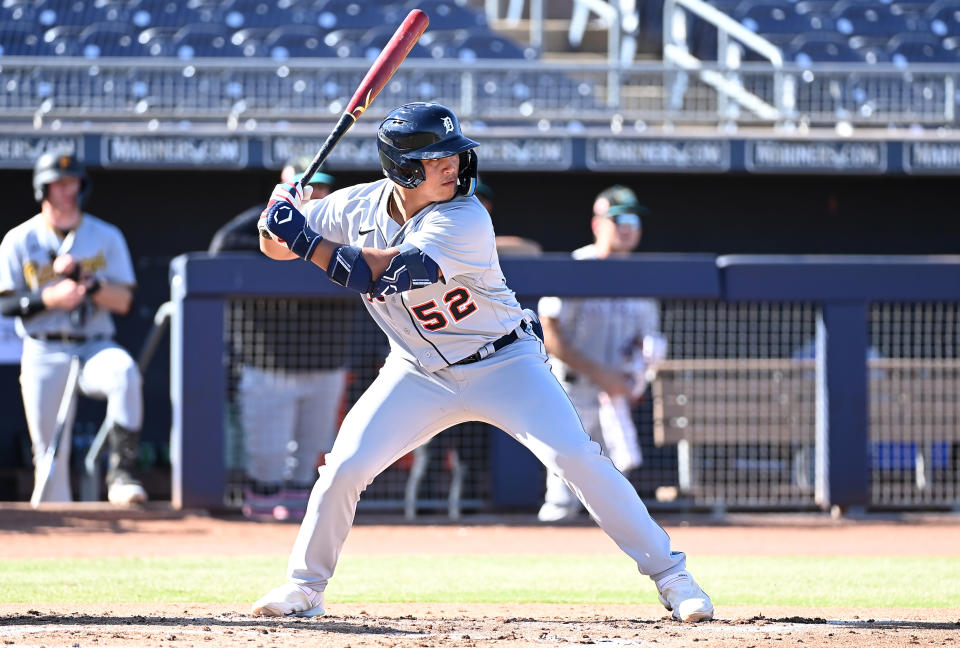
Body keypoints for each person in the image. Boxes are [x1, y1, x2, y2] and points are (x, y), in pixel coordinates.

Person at [250, 102, 713, 623]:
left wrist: (303, 234)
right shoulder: (354, 206)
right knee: (344, 468)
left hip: (503, 362)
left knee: (577, 458)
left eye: (454, 154)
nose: (452, 165)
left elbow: (380, 274)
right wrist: (277, 217)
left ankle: (674, 578)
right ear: (403, 168)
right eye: (436, 158)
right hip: (416, 369)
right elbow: (276, 248)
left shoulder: (464, 216)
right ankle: (305, 587)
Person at [0, 149, 147, 505]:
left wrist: (90, 284)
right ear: (43, 189)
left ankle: (122, 474)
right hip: (43, 348)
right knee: (49, 458)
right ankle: (62, 540)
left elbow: (124, 301)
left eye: (73, 182)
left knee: (125, 373)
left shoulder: (105, 235)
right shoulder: (19, 239)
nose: (69, 190)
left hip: (93, 343)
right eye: (59, 183)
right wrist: (49, 298)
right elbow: (5, 303)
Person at [209, 159, 349, 521]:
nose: (315, 193)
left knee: (310, 462)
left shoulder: (345, 223)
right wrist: (278, 223)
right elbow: (220, 245)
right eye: (308, 186)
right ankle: (259, 540)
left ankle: (299, 535)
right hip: (268, 363)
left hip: (325, 363)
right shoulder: (258, 225)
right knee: (267, 463)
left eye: (322, 186)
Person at [536, 185, 665, 522]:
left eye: (634, 218)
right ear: (597, 224)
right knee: (563, 490)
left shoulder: (643, 279)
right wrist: (600, 374)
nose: (627, 225)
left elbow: (647, 342)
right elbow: (548, 332)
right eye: (618, 217)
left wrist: (635, 378)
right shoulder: (577, 265)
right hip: (572, 391)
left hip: (616, 395)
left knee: (614, 497)